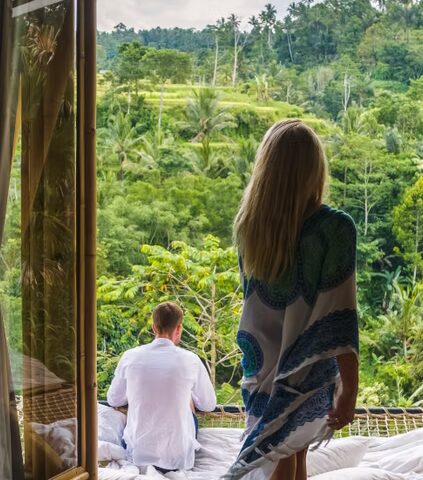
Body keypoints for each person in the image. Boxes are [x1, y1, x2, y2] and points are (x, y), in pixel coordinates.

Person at [224, 119, 359, 480]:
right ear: (315, 168)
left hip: (260, 361)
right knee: (287, 454)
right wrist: (350, 388)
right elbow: (340, 316)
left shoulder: (250, 226)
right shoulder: (334, 228)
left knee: (290, 453)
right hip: (306, 363)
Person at [107, 301, 216, 474]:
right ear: (179, 328)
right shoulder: (191, 360)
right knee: (186, 397)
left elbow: (114, 400)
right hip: (179, 458)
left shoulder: (130, 357)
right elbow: (208, 404)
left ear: (153, 327)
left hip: (137, 454)